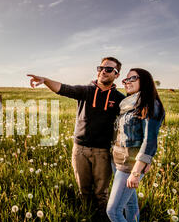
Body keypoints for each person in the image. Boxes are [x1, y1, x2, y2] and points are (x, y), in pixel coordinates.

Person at [27, 57, 126, 212]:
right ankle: (86, 220)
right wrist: (45, 80)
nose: (103, 72)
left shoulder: (120, 99)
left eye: (108, 69)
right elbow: (63, 88)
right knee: (84, 191)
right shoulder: (86, 91)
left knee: (101, 193)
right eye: (100, 68)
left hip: (103, 152)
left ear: (117, 74)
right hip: (80, 149)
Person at [106, 68, 165, 222]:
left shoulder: (150, 103)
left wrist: (137, 171)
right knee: (130, 204)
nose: (127, 81)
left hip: (130, 165)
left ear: (145, 80)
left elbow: (149, 141)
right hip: (118, 159)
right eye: (126, 79)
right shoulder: (126, 103)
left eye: (132, 78)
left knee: (113, 211)